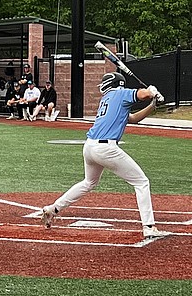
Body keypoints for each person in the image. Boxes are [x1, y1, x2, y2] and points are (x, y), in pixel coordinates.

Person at [39, 72, 162, 238]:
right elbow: (141, 94)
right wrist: (151, 91)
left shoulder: (107, 99)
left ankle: (53, 209)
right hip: (106, 148)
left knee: (88, 182)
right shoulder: (119, 93)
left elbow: (132, 118)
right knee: (141, 182)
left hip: (90, 147)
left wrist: (152, 105)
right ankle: (148, 227)